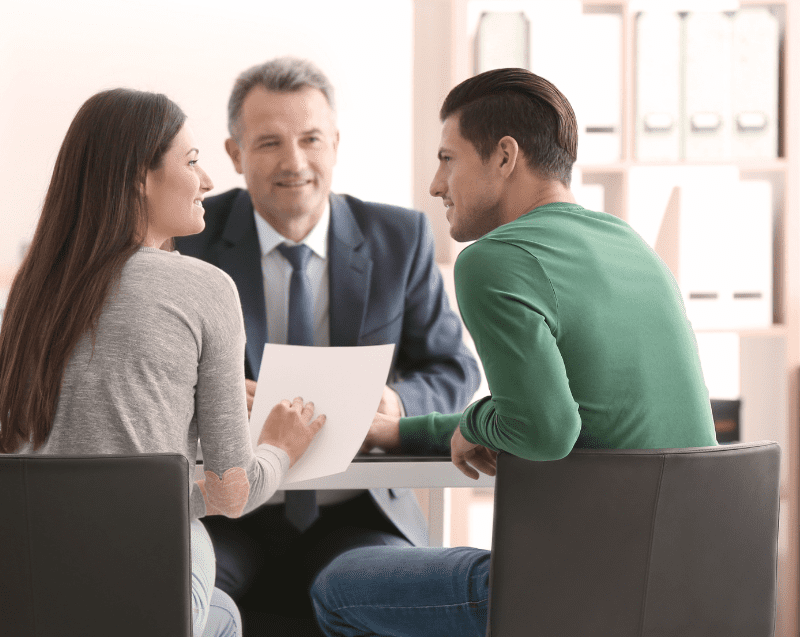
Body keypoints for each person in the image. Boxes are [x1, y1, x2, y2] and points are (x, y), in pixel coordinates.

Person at [309, 68, 719, 637]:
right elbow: (561, 413)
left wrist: (478, 419)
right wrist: (405, 432)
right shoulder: (630, 245)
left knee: (339, 584)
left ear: (504, 156)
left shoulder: (497, 258)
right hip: (691, 582)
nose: (434, 184)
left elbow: (546, 430)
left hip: (579, 588)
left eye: (447, 159)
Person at [0, 88, 326, 637]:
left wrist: (170, 488)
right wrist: (279, 448)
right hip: (151, 573)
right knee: (224, 616)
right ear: (137, 178)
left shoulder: (29, 294)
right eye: (193, 162)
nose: (208, 182)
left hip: (28, 576)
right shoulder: (204, 288)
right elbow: (231, 491)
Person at [174, 56, 481, 629]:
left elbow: (453, 367)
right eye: (269, 143)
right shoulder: (189, 242)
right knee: (177, 595)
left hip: (357, 511)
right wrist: (203, 400)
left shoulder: (399, 237)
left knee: (390, 596)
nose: (295, 162)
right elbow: (154, 375)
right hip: (229, 510)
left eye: (311, 139)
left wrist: (399, 405)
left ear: (335, 143)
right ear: (236, 154)